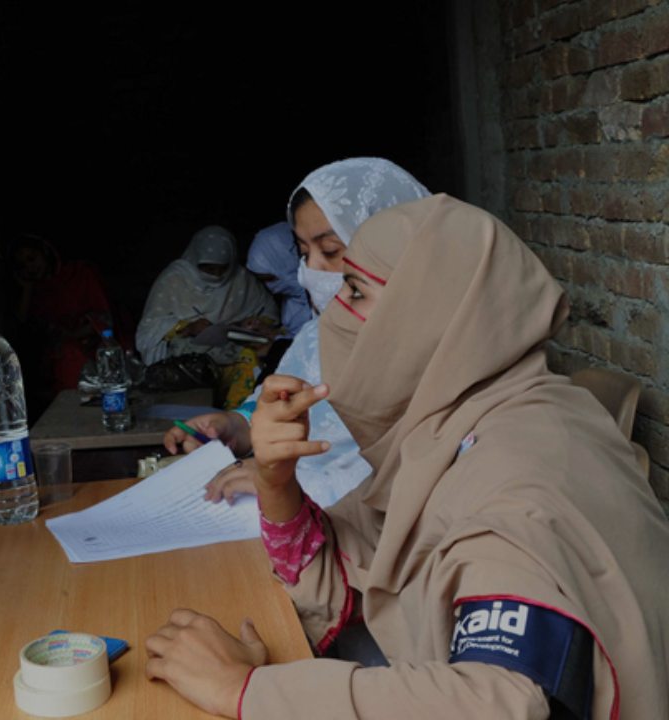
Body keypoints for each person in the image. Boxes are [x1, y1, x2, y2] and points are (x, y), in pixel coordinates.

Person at [145, 195, 669, 718]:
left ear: (429, 313)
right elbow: (354, 566)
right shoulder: (456, 428)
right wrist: (276, 482)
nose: (334, 315)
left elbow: (500, 700)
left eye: (355, 290)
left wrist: (247, 690)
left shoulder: (517, 478)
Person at [164, 158, 429, 509]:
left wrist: (287, 487)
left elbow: (425, 474)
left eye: (330, 250)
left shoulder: (439, 346)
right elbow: (282, 409)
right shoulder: (316, 336)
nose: (310, 271)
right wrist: (233, 427)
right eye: (304, 253)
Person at [136, 225, 277, 408]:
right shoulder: (175, 279)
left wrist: (249, 324)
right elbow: (150, 328)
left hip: (229, 347)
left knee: (251, 358)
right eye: (208, 269)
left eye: (222, 269)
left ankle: (236, 415)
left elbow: (268, 313)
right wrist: (187, 327)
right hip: (187, 353)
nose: (216, 275)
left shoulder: (241, 279)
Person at [10, 234, 117, 396]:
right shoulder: (36, 291)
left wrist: (72, 335)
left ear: (45, 252)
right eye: (22, 265)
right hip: (58, 357)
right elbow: (24, 325)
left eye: (32, 259)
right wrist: (27, 289)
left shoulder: (79, 273)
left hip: (94, 346)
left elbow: (104, 319)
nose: (30, 268)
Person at [245, 221, 312, 336]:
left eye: (271, 279)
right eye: (263, 281)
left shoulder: (327, 300)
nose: (270, 287)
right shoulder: (292, 300)